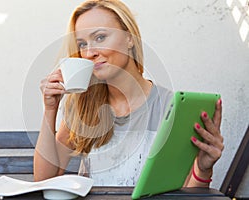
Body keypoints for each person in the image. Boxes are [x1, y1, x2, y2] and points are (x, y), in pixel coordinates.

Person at [34, 0, 224, 188]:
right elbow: (44, 180)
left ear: (129, 38)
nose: (89, 52)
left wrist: (203, 169)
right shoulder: (83, 105)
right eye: (82, 44)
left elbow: (185, 192)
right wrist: (50, 109)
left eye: (100, 37)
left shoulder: (170, 108)